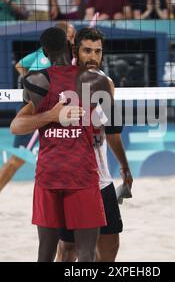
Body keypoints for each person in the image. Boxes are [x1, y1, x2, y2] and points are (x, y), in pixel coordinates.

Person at [11, 27, 133, 262]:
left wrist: (124, 166)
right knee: (67, 251)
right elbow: (17, 124)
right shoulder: (59, 82)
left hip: (99, 179)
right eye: (87, 50)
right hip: (73, 176)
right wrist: (53, 115)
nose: (93, 56)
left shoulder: (102, 83)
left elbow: (112, 133)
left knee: (108, 250)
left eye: (98, 51)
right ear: (74, 49)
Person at [0, 22, 76, 214]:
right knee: (17, 159)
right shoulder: (48, 60)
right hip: (35, 109)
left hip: (50, 108)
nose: (74, 38)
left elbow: (21, 65)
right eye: (71, 35)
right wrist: (34, 84)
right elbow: (27, 72)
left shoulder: (50, 54)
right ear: (62, 38)